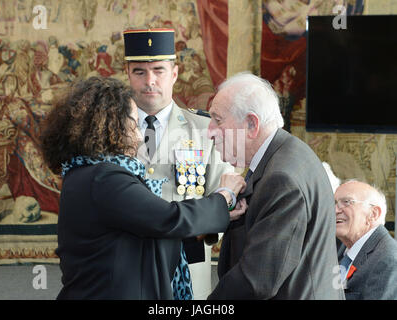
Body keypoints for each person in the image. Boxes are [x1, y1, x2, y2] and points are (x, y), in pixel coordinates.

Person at [40, 76, 245, 300]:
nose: (139, 138)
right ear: (110, 125)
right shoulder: (104, 178)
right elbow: (167, 218)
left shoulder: (86, 172)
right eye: (134, 124)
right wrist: (223, 198)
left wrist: (217, 214)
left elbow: (146, 229)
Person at [207, 72, 344, 299]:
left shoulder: (281, 179)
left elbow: (256, 280)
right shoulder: (285, 154)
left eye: (217, 120)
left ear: (251, 124)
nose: (209, 131)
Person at [123, 28, 234, 299]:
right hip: (127, 262)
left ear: (174, 73)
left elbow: (226, 194)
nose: (150, 81)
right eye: (139, 71)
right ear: (127, 74)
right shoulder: (109, 132)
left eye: (159, 70)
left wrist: (204, 230)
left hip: (187, 262)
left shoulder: (205, 130)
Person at [335, 179, 397, 300]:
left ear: (373, 214)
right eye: (335, 203)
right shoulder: (340, 248)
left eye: (347, 202)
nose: (336, 210)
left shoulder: (389, 259)